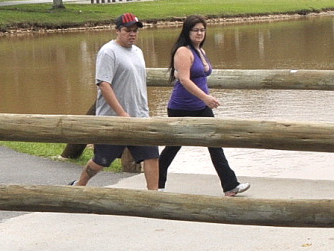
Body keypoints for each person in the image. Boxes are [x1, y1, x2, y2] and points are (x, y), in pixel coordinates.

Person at [158, 14, 249, 196]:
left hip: (200, 107)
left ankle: (230, 186)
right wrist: (206, 97)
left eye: (202, 30)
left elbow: (196, 76)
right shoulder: (183, 51)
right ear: (187, 31)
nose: (200, 33)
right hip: (181, 107)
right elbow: (184, 79)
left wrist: (204, 100)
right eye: (195, 30)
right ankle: (156, 183)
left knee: (215, 142)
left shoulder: (200, 50)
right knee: (174, 145)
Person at [73, 13, 160, 189]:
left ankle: (154, 195)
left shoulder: (138, 52)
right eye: (128, 30)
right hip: (113, 118)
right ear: (117, 31)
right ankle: (79, 185)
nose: (132, 34)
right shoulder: (108, 52)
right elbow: (104, 84)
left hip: (140, 117)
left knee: (151, 156)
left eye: (135, 31)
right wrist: (121, 113)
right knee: (101, 161)